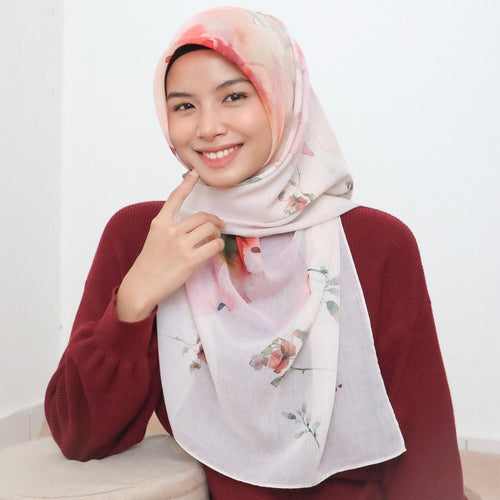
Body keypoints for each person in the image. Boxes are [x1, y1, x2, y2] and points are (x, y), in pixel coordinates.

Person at [45, 6, 468, 499]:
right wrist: (133, 301)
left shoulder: (377, 242)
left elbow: (424, 444)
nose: (208, 127)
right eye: (184, 106)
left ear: (283, 99)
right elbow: (79, 435)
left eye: (234, 96)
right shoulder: (145, 236)